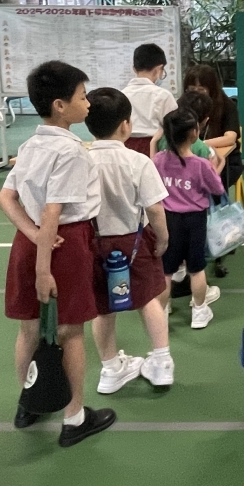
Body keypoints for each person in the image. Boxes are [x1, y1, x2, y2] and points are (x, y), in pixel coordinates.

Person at [0, 61, 116, 443]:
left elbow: (5, 198)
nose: (88, 104)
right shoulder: (71, 151)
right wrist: (44, 268)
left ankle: (30, 403)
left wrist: (33, 238)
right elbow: (53, 212)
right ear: (60, 106)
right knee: (70, 332)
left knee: (29, 328)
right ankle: (74, 418)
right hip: (63, 245)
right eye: (82, 97)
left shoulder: (30, 145)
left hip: (30, 241)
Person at [84, 88, 175, 392]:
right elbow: (155, 208)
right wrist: (163, 239)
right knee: (148, 299)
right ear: (126, 125)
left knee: (102, 308)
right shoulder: (138, 161)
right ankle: (162, 363)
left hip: (94, 242)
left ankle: (111, 369)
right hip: (136, 240)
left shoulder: (81, 160)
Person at [155, 108, 226, 329]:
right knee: (196, 268)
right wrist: (217, 167)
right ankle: (199, 311)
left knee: (166, 270)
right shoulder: (201, 164)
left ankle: (161, 313)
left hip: (168, 219)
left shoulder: (158, 160)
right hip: (195, 220)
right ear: (194, 133)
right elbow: (217, 188)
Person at [183, 63, 242, 189]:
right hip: (191, 156)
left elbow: (230, 138)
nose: (196, 94)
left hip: (226, 160)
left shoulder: (227, 105)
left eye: (201, 90)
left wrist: (199, 144)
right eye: (192, 90)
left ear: (212, 89)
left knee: (209, 180)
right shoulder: (183, 104)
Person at [123, 43, 176, 158]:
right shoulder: (163, 95)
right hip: (155, 149)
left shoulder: (122, 95)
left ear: (134, 69)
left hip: (126, 149)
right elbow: (175, 128)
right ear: (159, 69)